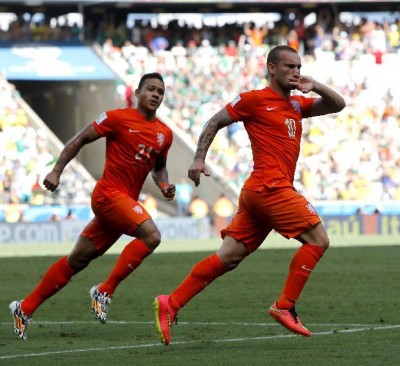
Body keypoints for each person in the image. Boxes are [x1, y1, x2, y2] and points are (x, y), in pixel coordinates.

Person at [153, 45, 346, 346]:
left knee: (228, 257)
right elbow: (214, 121)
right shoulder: (253, 100)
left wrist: (316, 85)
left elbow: (338, 105)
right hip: (270, 188)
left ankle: (171, 303)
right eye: (289, 66)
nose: (296, 71)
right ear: (271, 69)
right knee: (319, 240)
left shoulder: (296, 105)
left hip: (259, 192)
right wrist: (198, 158)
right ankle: (285, 306)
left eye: (298, 66)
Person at [9, 72, 175, 340]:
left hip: (123, 203)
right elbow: (78, 140)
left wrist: (165, 185)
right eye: (151, 90)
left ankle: (23, 308)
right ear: (138, 92)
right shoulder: (116, 118)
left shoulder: (164, 134)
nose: (156, 95)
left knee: (76, 260)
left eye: (161, 92)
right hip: (108, 194)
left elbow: (159, 168)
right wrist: (56, 171)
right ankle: (105, 290)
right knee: (152, 235)